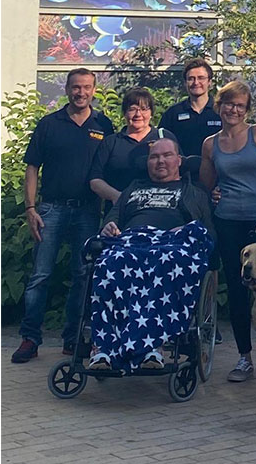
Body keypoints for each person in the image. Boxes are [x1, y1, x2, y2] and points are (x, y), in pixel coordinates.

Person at [13, 68, 115, 364]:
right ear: (67, 90)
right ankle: (30, 338)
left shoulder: (103, 125)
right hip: (51, 209)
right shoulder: (49, 124)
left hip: (87, 211)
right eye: (75, 87)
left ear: (94, 90)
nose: (80, 92)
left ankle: (73, 339)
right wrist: (30, 208)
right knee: (40, 276)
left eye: (86, 87)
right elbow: (32, 167)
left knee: (83, 276)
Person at [89, 137, 218, 370]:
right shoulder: (133, 189)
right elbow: (112, 218)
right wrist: (109, 226)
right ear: (147, 163)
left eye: (167, 155)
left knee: (166, 262)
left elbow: (207, 232)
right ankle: (103, 349)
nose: (160, 161)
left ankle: (152, 346)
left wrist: (187, 231)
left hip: (169, 245)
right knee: (109, 263)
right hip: (130, 244)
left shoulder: (193, 191)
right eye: (154, 157)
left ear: (179, 160)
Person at [200, 81, 256, 384]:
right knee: (237, 291)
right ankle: (244, 358)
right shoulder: (210, 143)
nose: (233, 110)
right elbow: (206, 185)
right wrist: (215, 194)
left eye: (240, 105)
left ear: (247, 110)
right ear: (219, 106)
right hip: (228, 221)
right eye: (229, 104)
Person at [89, 88, 178, 213]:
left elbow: (179, 172)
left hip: (159, 210)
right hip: (119, 212)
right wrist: (117, 197)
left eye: (144, 109)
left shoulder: (164, 137)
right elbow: (95, 179)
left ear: (151, 112)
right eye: (132, 109)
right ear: (124, 113)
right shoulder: (111, 142)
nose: (138, 114)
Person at [159, 58, 223, 159]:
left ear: (210, 82)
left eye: (201, 78)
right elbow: (162, 145)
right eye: (191, 78)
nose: (196, 82)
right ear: (185, 83)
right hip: (182, 172)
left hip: (216, 171)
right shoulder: (173, 113)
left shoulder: (222, 111)